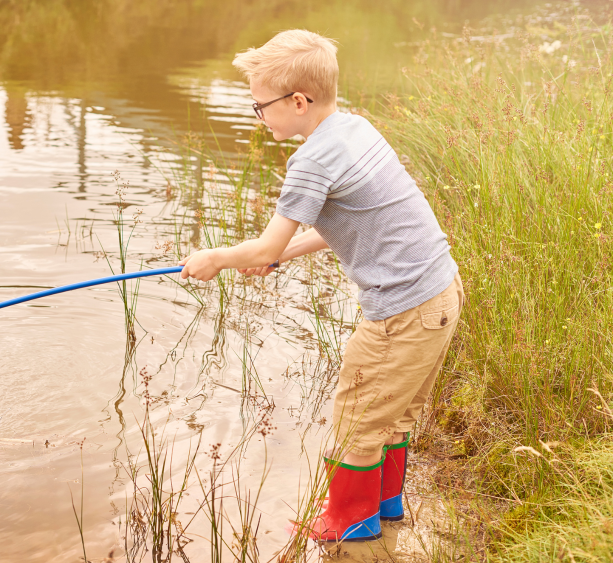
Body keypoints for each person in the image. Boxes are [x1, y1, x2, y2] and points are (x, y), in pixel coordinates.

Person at [179, 29, 463, 542]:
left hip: (402, 313)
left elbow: (264, 248)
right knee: (391, 415)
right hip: (440, 294)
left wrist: (216, 259)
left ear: (299, 101)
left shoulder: (309, 161)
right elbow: (345, 226)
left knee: (356, 419)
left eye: (260, 107)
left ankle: (350, 522)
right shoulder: (353, 129)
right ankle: (384, 507)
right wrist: (279, 255)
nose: (258, 118)